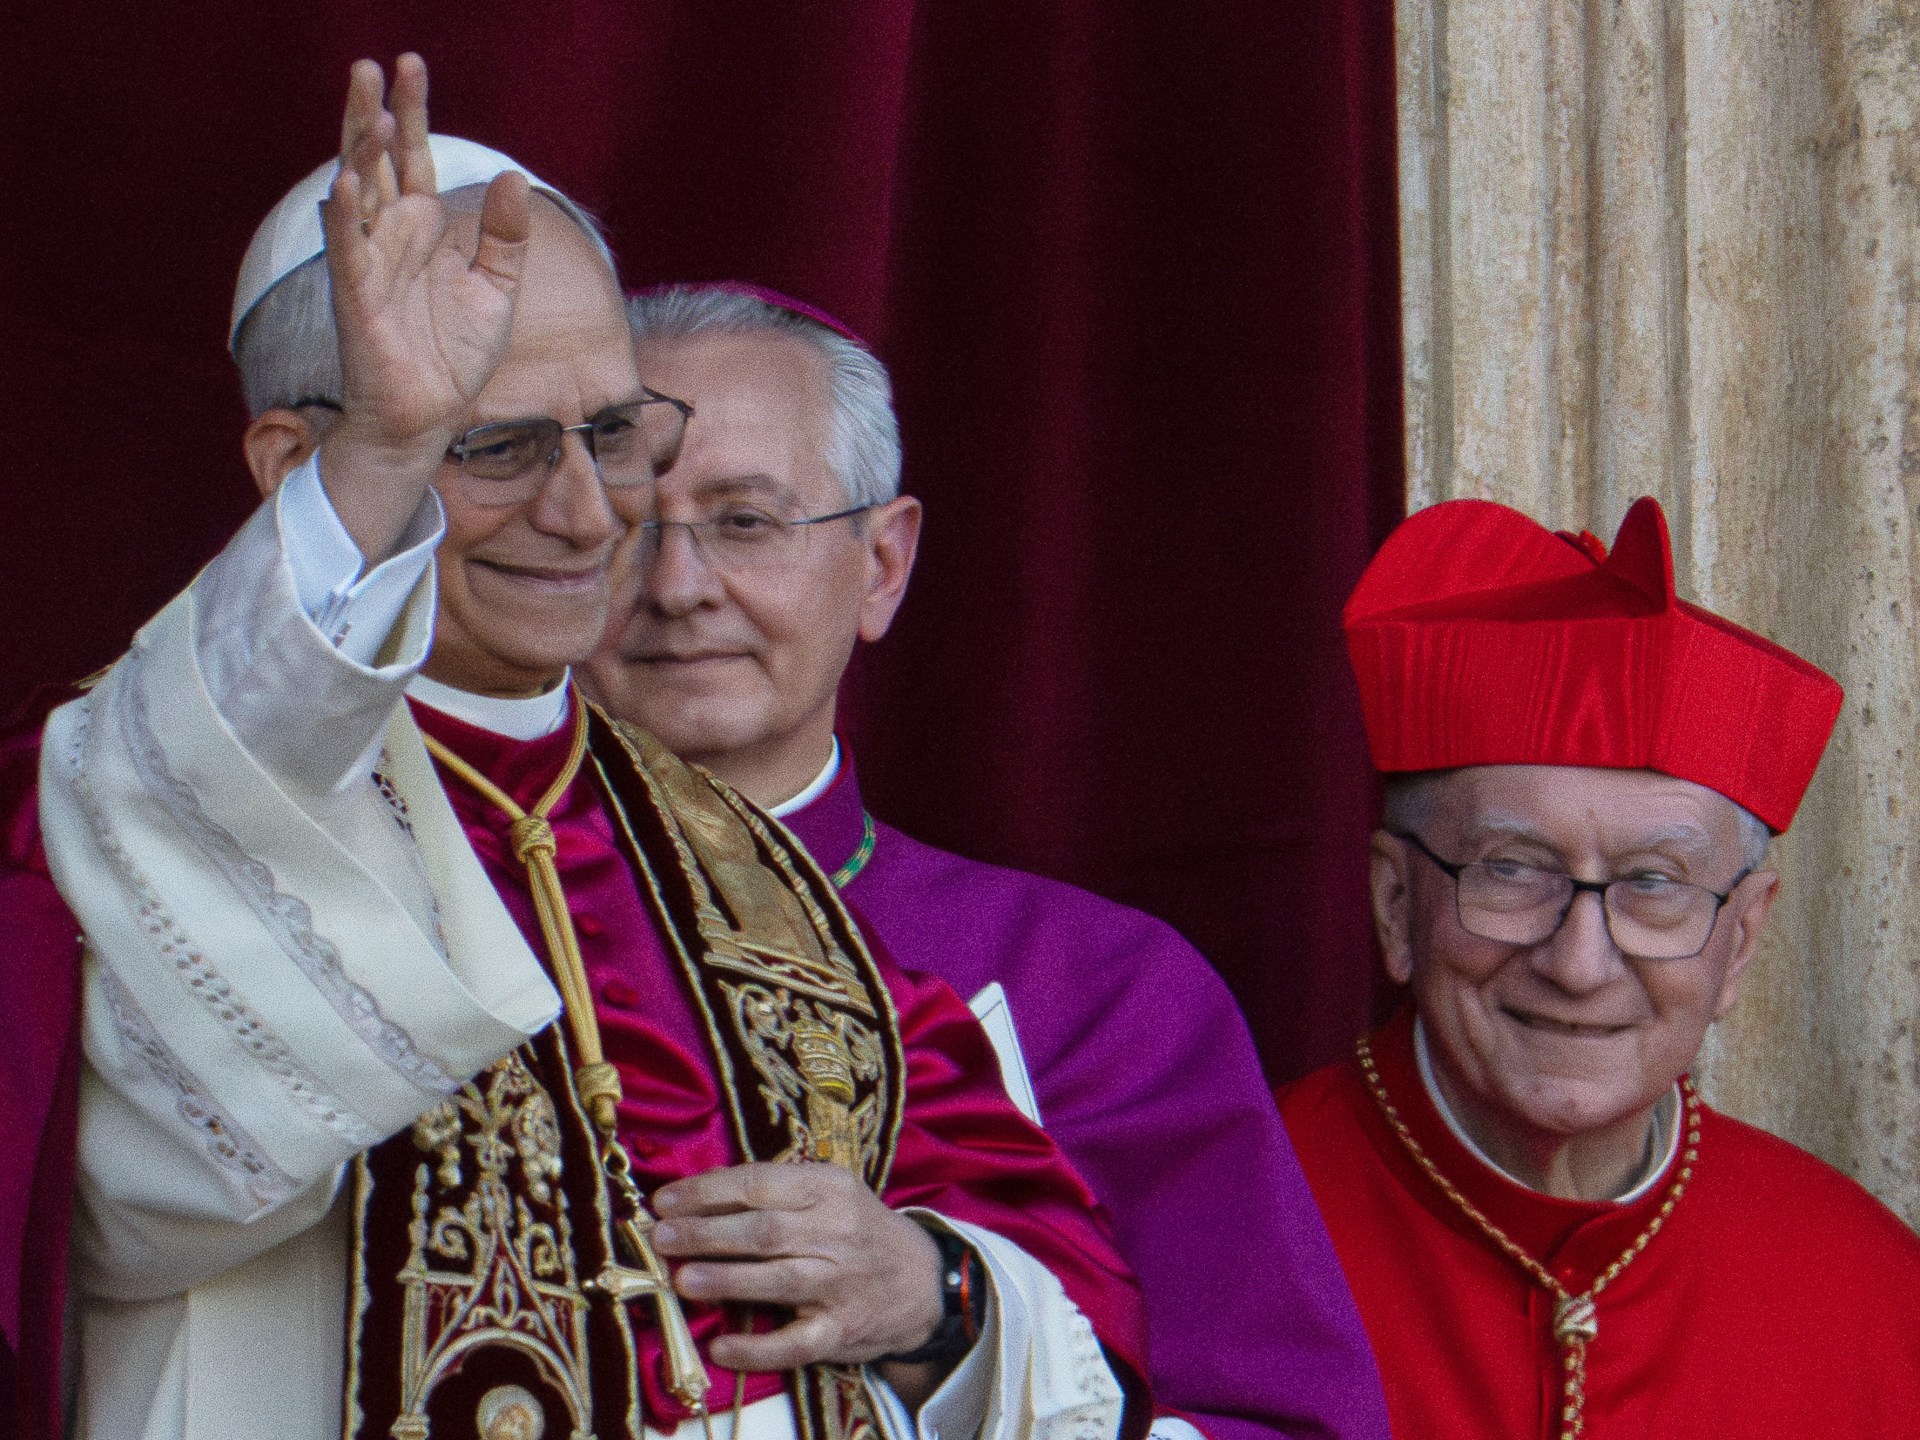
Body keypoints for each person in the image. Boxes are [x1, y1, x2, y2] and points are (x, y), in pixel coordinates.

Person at [14, 57, 1151, 1440]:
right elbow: (136, 1179)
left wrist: (936, 1298)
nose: (586, 513)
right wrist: (378, 467)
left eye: (612, 434)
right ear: (298, 467)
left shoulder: (751, 878)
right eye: (491, 446)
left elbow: (1066, 1306)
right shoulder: (134, 797)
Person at [583, 283, 1392, 1440]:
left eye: (746, 521)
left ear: (881, 563)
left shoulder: (1103, 994)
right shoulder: (440, 919)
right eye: (626, 525)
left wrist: (947, 1315)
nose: (677, 587)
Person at [1275, 495, 1920, 1437]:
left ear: (1741, 941)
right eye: (1511, 870)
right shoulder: (1214, 1225)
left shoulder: (1873, 1294)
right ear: (1396, 903)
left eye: (1653, 884)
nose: (1579, 964)